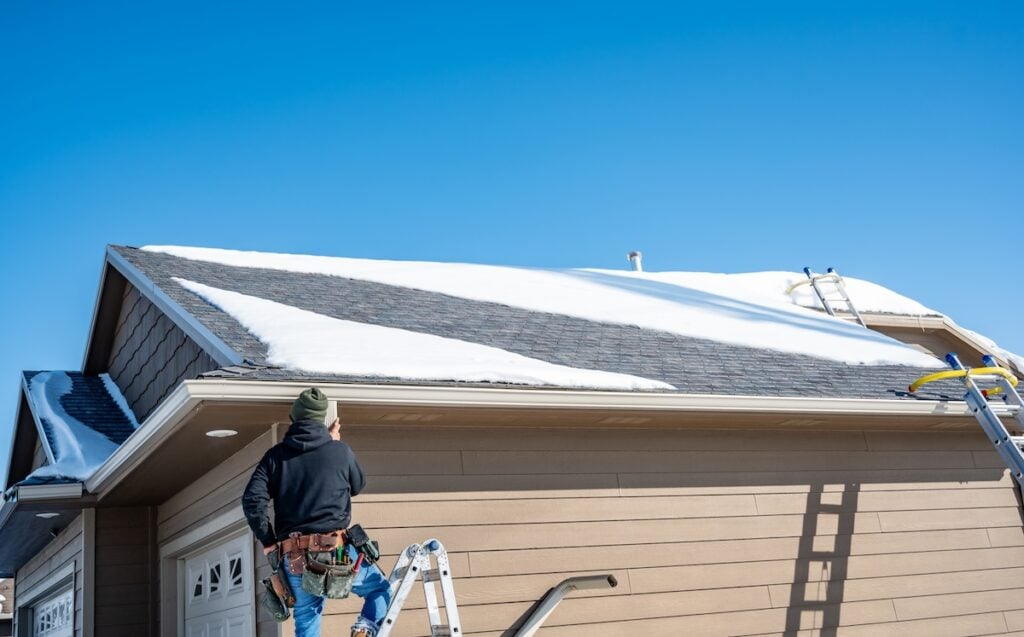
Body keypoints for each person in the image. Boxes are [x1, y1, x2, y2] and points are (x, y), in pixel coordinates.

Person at [242, 388, 391, 637]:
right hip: (339, 551)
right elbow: (358, 485)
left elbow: (252, 501)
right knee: (380, 590)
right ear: (321, 418)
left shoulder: (275, 457)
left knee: (307, 619)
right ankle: (365, 628)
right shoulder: (340, 452)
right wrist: (332, 446)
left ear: (295, 418)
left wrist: (268, 541)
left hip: (296, 555)